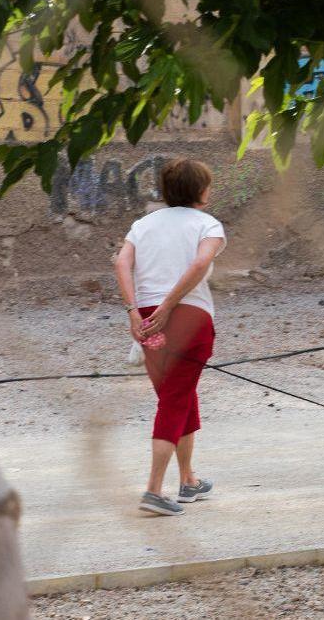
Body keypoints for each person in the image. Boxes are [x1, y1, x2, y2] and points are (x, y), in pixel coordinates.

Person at [113, 158, 226, 516]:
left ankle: (188, 480)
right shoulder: (208, 224)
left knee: (178, 393)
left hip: (147, 320)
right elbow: (198, 265)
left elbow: (120, 263)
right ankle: (153, 491)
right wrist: (171, 303)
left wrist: (134, 310)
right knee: (175, 399)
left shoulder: (143, 224)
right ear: (201, 190)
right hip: (190, 317)